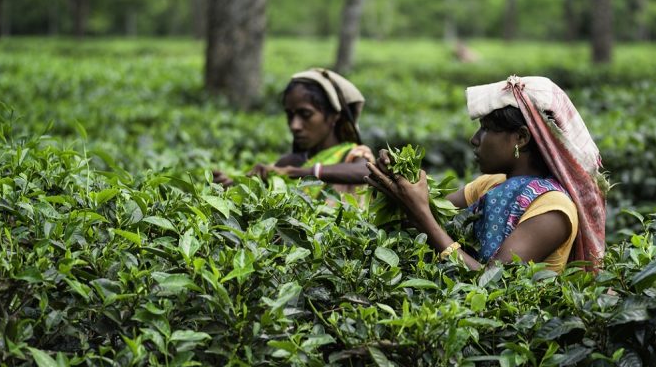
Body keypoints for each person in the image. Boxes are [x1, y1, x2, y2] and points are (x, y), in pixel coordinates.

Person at [366, 75, 607, 272]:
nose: (475, 139)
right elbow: (421, 214)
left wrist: (421, 214)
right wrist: (396, 175)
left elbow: (492, 281)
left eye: (487, 129)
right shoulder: (490, 184)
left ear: (521, 138)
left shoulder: (553, 208)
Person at [213, 68, 374, 197]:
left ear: (333, 116)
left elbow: (367, 171)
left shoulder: (353, 156)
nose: (294, 125)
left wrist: (299, 173)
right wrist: (231, 186)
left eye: (306, 114)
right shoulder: (289, 162)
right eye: (290, 115)